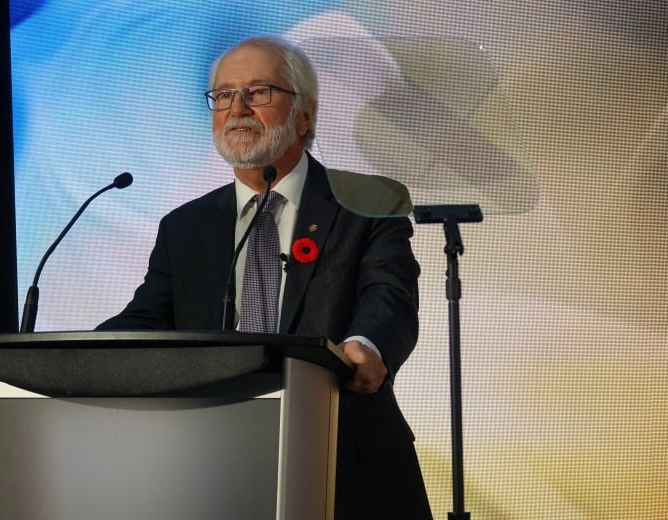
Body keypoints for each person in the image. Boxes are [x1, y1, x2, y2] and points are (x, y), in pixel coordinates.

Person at [96, 34, 433, 519]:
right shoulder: (185, 227)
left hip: (348, 465)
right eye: (223, 95)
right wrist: (70, 358)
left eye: (258, 92)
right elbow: (148, 319)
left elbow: (389, 295)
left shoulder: (368, 201)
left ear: (304, 114)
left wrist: (368, 346)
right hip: (217, 466)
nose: (237, 108)